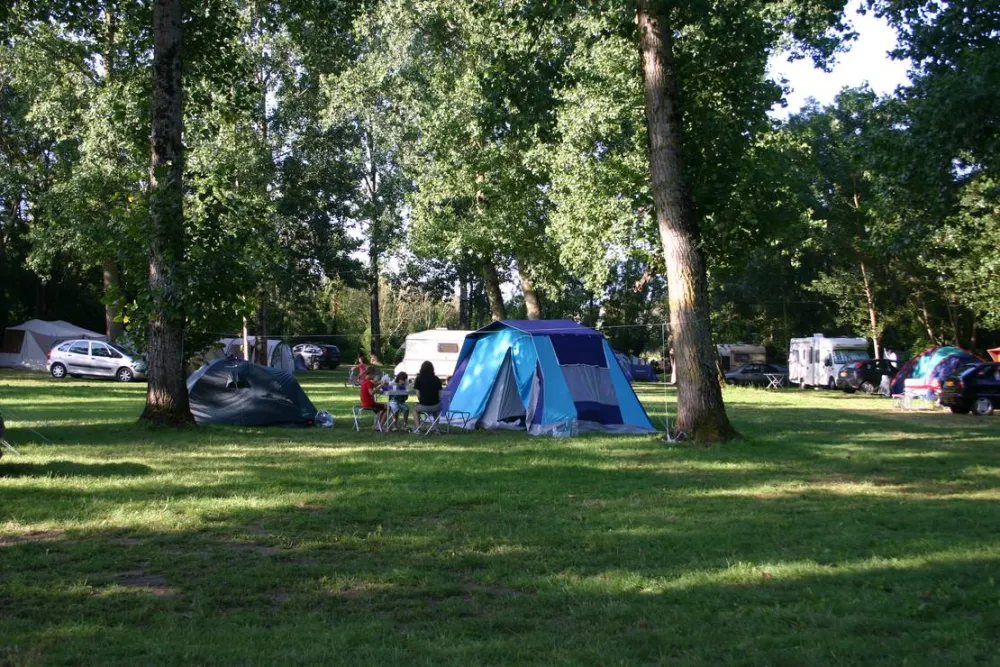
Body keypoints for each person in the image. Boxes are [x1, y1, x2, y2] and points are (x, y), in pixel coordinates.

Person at [412, 360, 443, 431]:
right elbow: (440, 394)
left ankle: (418, 428)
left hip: (423, 406)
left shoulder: (418, 379)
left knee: (414, 408)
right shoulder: (436, 379)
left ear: (421, 368)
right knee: (438, 409)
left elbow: (418, 395)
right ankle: (436, 427)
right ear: (432, 369)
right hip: (436, 406)